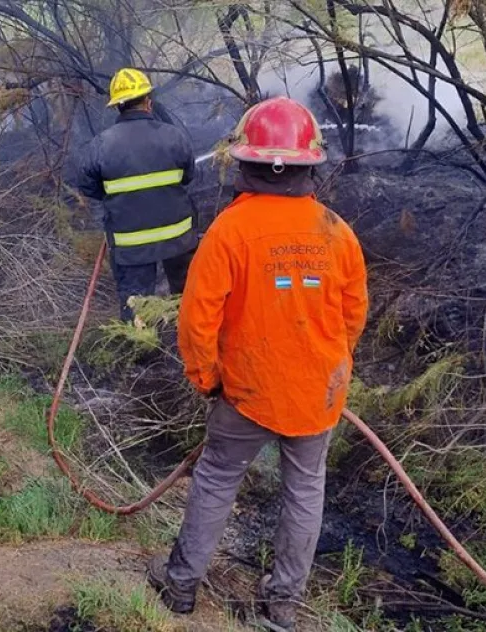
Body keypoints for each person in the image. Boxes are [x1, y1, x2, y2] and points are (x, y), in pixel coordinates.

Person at [147, 96, 370, 631]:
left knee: (218, 477)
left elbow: (197, 321)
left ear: (246, 163)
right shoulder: (337, 232)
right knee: (305, 488)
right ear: (308, 167)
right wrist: (329, 369)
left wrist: (207, 379)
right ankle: (283, 605)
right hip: (317, 395)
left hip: (245, 393)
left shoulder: (230, 230)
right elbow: (353, 316)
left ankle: (180, 586)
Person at [76, 68, 197, 322]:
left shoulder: (101, 145)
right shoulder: (174, 136)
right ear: (148, 101)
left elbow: (87, 186)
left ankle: (144, 354)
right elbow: (188, 177)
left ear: (117, 107)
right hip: (179, 238)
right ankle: (191, 341)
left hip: (131, 245)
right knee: (189, 297)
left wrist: (118, 197)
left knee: (137, 304)